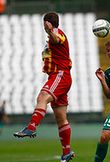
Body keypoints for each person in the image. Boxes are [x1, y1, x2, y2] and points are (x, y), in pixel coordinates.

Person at [13, 12, 75, 162]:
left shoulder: (56, 33)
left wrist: (50, 30)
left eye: (44, 23)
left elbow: (57, 39)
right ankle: (66, 152)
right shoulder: (51, 38)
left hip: (60, 75)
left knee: (42, 97)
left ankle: (32, 127)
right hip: (58, 76)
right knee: (61, 118)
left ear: (47, 23)